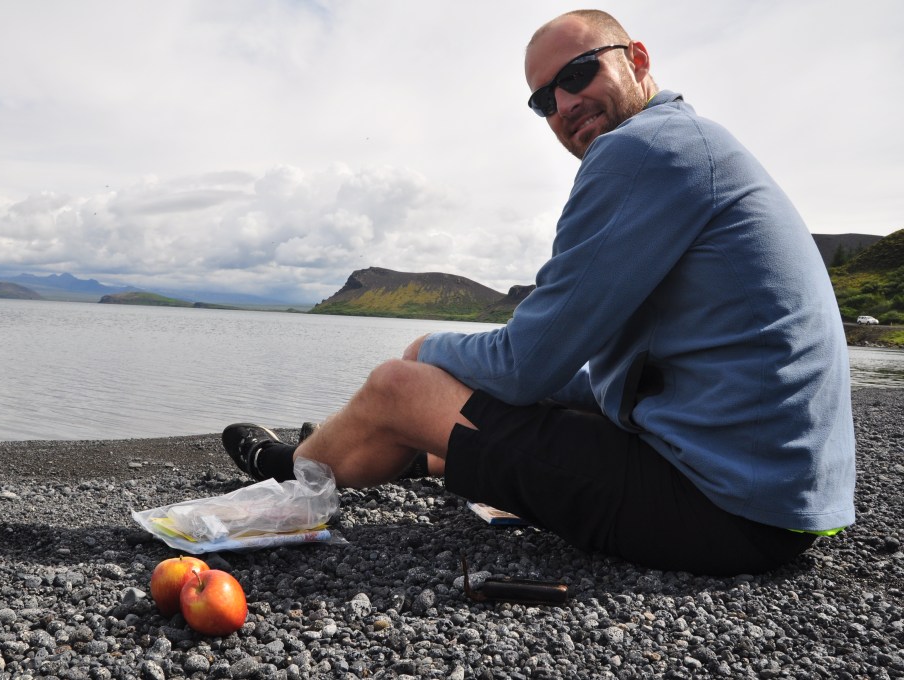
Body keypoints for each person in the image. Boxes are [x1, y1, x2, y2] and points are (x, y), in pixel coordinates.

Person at [223, 9, 855, 576]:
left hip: (725, 512)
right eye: (543, 100)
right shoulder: (693, 143)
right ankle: (400, 448)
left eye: (578, 74)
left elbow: (526, 366)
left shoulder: (642, 150)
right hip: (784, 496)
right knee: (524, 400)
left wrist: (427, 349)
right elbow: (613, 376)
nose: (564, 103)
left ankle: (290, 469)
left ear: (637, 58)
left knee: (400, 382)